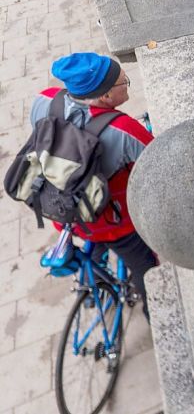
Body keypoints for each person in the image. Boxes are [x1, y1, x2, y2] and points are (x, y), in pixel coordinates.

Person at [30, 53, 157, 317]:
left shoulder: (44, 99)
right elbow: (160, 166)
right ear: (106, 97)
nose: (127, 84)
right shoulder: (123, 130)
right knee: (149, 271)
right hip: (113, 224)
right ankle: (157, 315)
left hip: (61, 210)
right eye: (125, 82)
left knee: (92, 245)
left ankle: (92, 286)